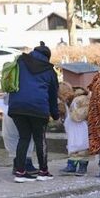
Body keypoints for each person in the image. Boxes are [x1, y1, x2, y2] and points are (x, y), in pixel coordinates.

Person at [7, 43, 59, 182]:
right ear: (47, 57)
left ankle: (20, 172)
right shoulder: (49, 70)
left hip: (16, 107)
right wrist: (55, 114)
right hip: (38, 108)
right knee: (39, 139)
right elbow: (53, 95)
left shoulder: (20, 62)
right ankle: (43, 171)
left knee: (23, 138)